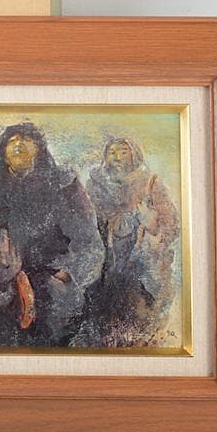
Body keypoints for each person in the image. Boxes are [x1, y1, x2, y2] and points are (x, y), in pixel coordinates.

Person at [0, 122, 103, 347]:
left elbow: (88, 240)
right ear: (3, 152)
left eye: (27, 139)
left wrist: (68, 274)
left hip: (53, 289)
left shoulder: (63, 183)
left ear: (39, 148)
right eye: (12, 140)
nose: (19, 144)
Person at [81, 137, 180, 346]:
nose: (117, 157)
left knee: (139, 304)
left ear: (134, 155)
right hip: (106, 255)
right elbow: (83, 219)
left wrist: (151, 223)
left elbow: (171, 223)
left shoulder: (150, 183)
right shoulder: (95, 184)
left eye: (123, 151)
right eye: (112, 152)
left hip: (140, 255)